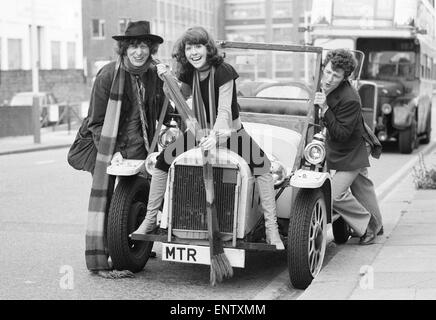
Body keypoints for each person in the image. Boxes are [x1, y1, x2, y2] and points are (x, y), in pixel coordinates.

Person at [132, 26, 284, 250]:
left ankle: (272, 229)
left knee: (263, 165)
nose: (194, 52)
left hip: (230, 132)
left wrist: (216, 135)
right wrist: (167, 80)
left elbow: (224, 111)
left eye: (198, 46)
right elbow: (180, 96)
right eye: (189, 48)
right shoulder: (188, 72)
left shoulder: (224, 71)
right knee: (163, 161)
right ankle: (150, 219)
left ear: (207, 48)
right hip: (199, 131)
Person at [85, 21, 171, 270]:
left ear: (151, 48)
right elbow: (95, 122)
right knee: (111, 201)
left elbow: (166, 109)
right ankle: (108, 251)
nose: (139, 52)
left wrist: (173, 119)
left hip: (143, 147)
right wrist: (114, 153)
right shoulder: (108, 75)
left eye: (144, 45)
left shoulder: (154, 74)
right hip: (110, 146)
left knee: (138, 200)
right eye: (133, 46)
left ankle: (134, 246)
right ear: (124, 49)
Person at [314, 48, 383, 245]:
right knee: (363, 187)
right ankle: (378, 224)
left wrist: (325, 108)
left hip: (353, 149)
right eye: (327, 72)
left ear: (345, 77)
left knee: (333, 195)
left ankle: (368, 225)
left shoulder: (350, 98)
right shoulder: (323, 86)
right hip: (346, 147)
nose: (328, 79)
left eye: (335, 76)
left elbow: (342, 134)